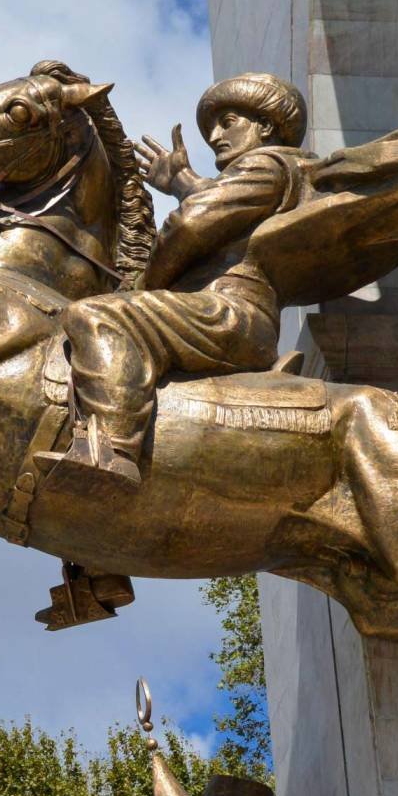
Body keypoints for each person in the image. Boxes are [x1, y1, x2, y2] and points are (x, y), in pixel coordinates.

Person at [39, 72, 313, 491]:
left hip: (229, 314)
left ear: (265, 126)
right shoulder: (263, 175)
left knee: (97, 316)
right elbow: (215, 211)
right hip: (221, 314)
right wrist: (184, 182)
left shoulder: (268, 164)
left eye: (228, 122)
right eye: (212, 128)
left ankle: (110, 453)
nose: (215, 137)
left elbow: (191, 225)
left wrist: (142, 287)